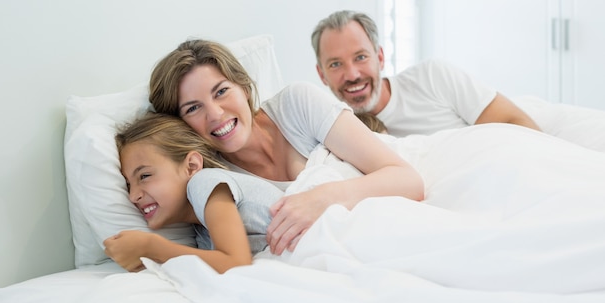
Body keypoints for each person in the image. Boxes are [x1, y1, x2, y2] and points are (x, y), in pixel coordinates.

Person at [148, 38, 424, 255]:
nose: (216, 114)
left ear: (243, 87)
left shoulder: (296, 104)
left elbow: (408, 180)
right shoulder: (217, 181)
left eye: (221, 92)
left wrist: (324, 197)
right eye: (193, 108)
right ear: (181, 123)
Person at [103, 112, 286, 273]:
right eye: (128, 185)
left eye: (144, 176)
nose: (133, 196)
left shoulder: (204, 182)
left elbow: (236, 264)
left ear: (191, 167)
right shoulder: (202, 235)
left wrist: (151, 247)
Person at [311, 10, 541, 137]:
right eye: (335, 65)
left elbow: (517, 123)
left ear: (380, 58)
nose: (352, 74)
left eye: (360, 57)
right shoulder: (331, 132)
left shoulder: (432, 77)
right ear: (322, 75)